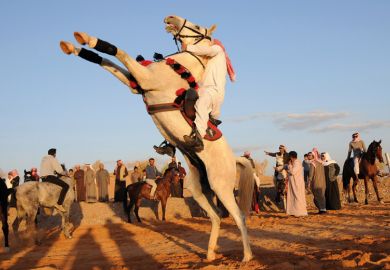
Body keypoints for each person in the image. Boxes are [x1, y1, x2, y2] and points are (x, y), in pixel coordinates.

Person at [182, 39, 235, 152]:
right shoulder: (213, 61)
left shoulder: (218, 49)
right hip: (209, 91)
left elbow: (206, 50)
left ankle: (198, 139)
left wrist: (188, 47)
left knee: (201, 105)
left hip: (212, 90)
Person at [40, 148, 69, 212]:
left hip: (43, 178)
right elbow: (59, 170)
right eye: (55, 154)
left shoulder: (43, 158)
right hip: (49, 177)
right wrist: (65, 174)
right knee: (66, 186)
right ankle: (59, 204)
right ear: (54, 154)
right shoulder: (53, 158)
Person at [285, 151, 308, 217]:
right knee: (293, 197)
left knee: (298, 197)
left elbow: (292, 172)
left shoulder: (297, 163)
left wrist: (289, 166)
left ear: (291, 157)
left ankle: (300, 212)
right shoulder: (294, 163)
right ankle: (293, 212)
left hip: (297, 184)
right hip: (293, 183)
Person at [308, 148, 327, 214]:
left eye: (310, 155)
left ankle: (321, 209)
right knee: (322, 196)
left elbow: (311, 174)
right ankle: (323, 209)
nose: (309, 156)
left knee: (317, 197)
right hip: (323, 182)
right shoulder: (321, 162)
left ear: (313, 155)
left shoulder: (313, 163)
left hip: (316, 182)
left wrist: (308, 183)